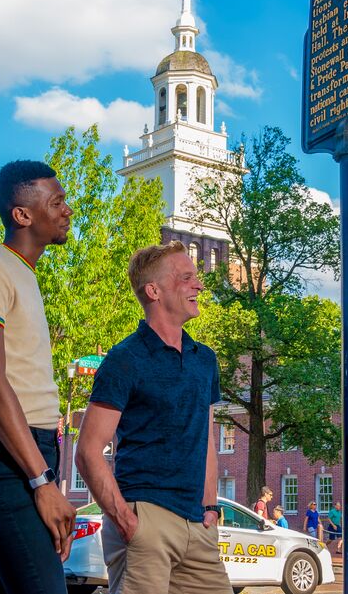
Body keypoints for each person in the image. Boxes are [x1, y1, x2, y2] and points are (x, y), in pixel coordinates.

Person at [76, 240, 232, 594]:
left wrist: (211, 508)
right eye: (186, 277)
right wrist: (127, 522)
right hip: (145, 517)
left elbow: (206, 438)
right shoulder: (124, 359)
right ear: (154, 290)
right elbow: (87, 451)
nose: (200, 285)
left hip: (198, 525)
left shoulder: (204, 359)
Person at [0, 160, 76, 594]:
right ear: (21, 215)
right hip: (2, 457)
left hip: (27, 452)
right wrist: (41, 480)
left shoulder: (24, 274)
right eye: (56, 201)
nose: (67, 210)